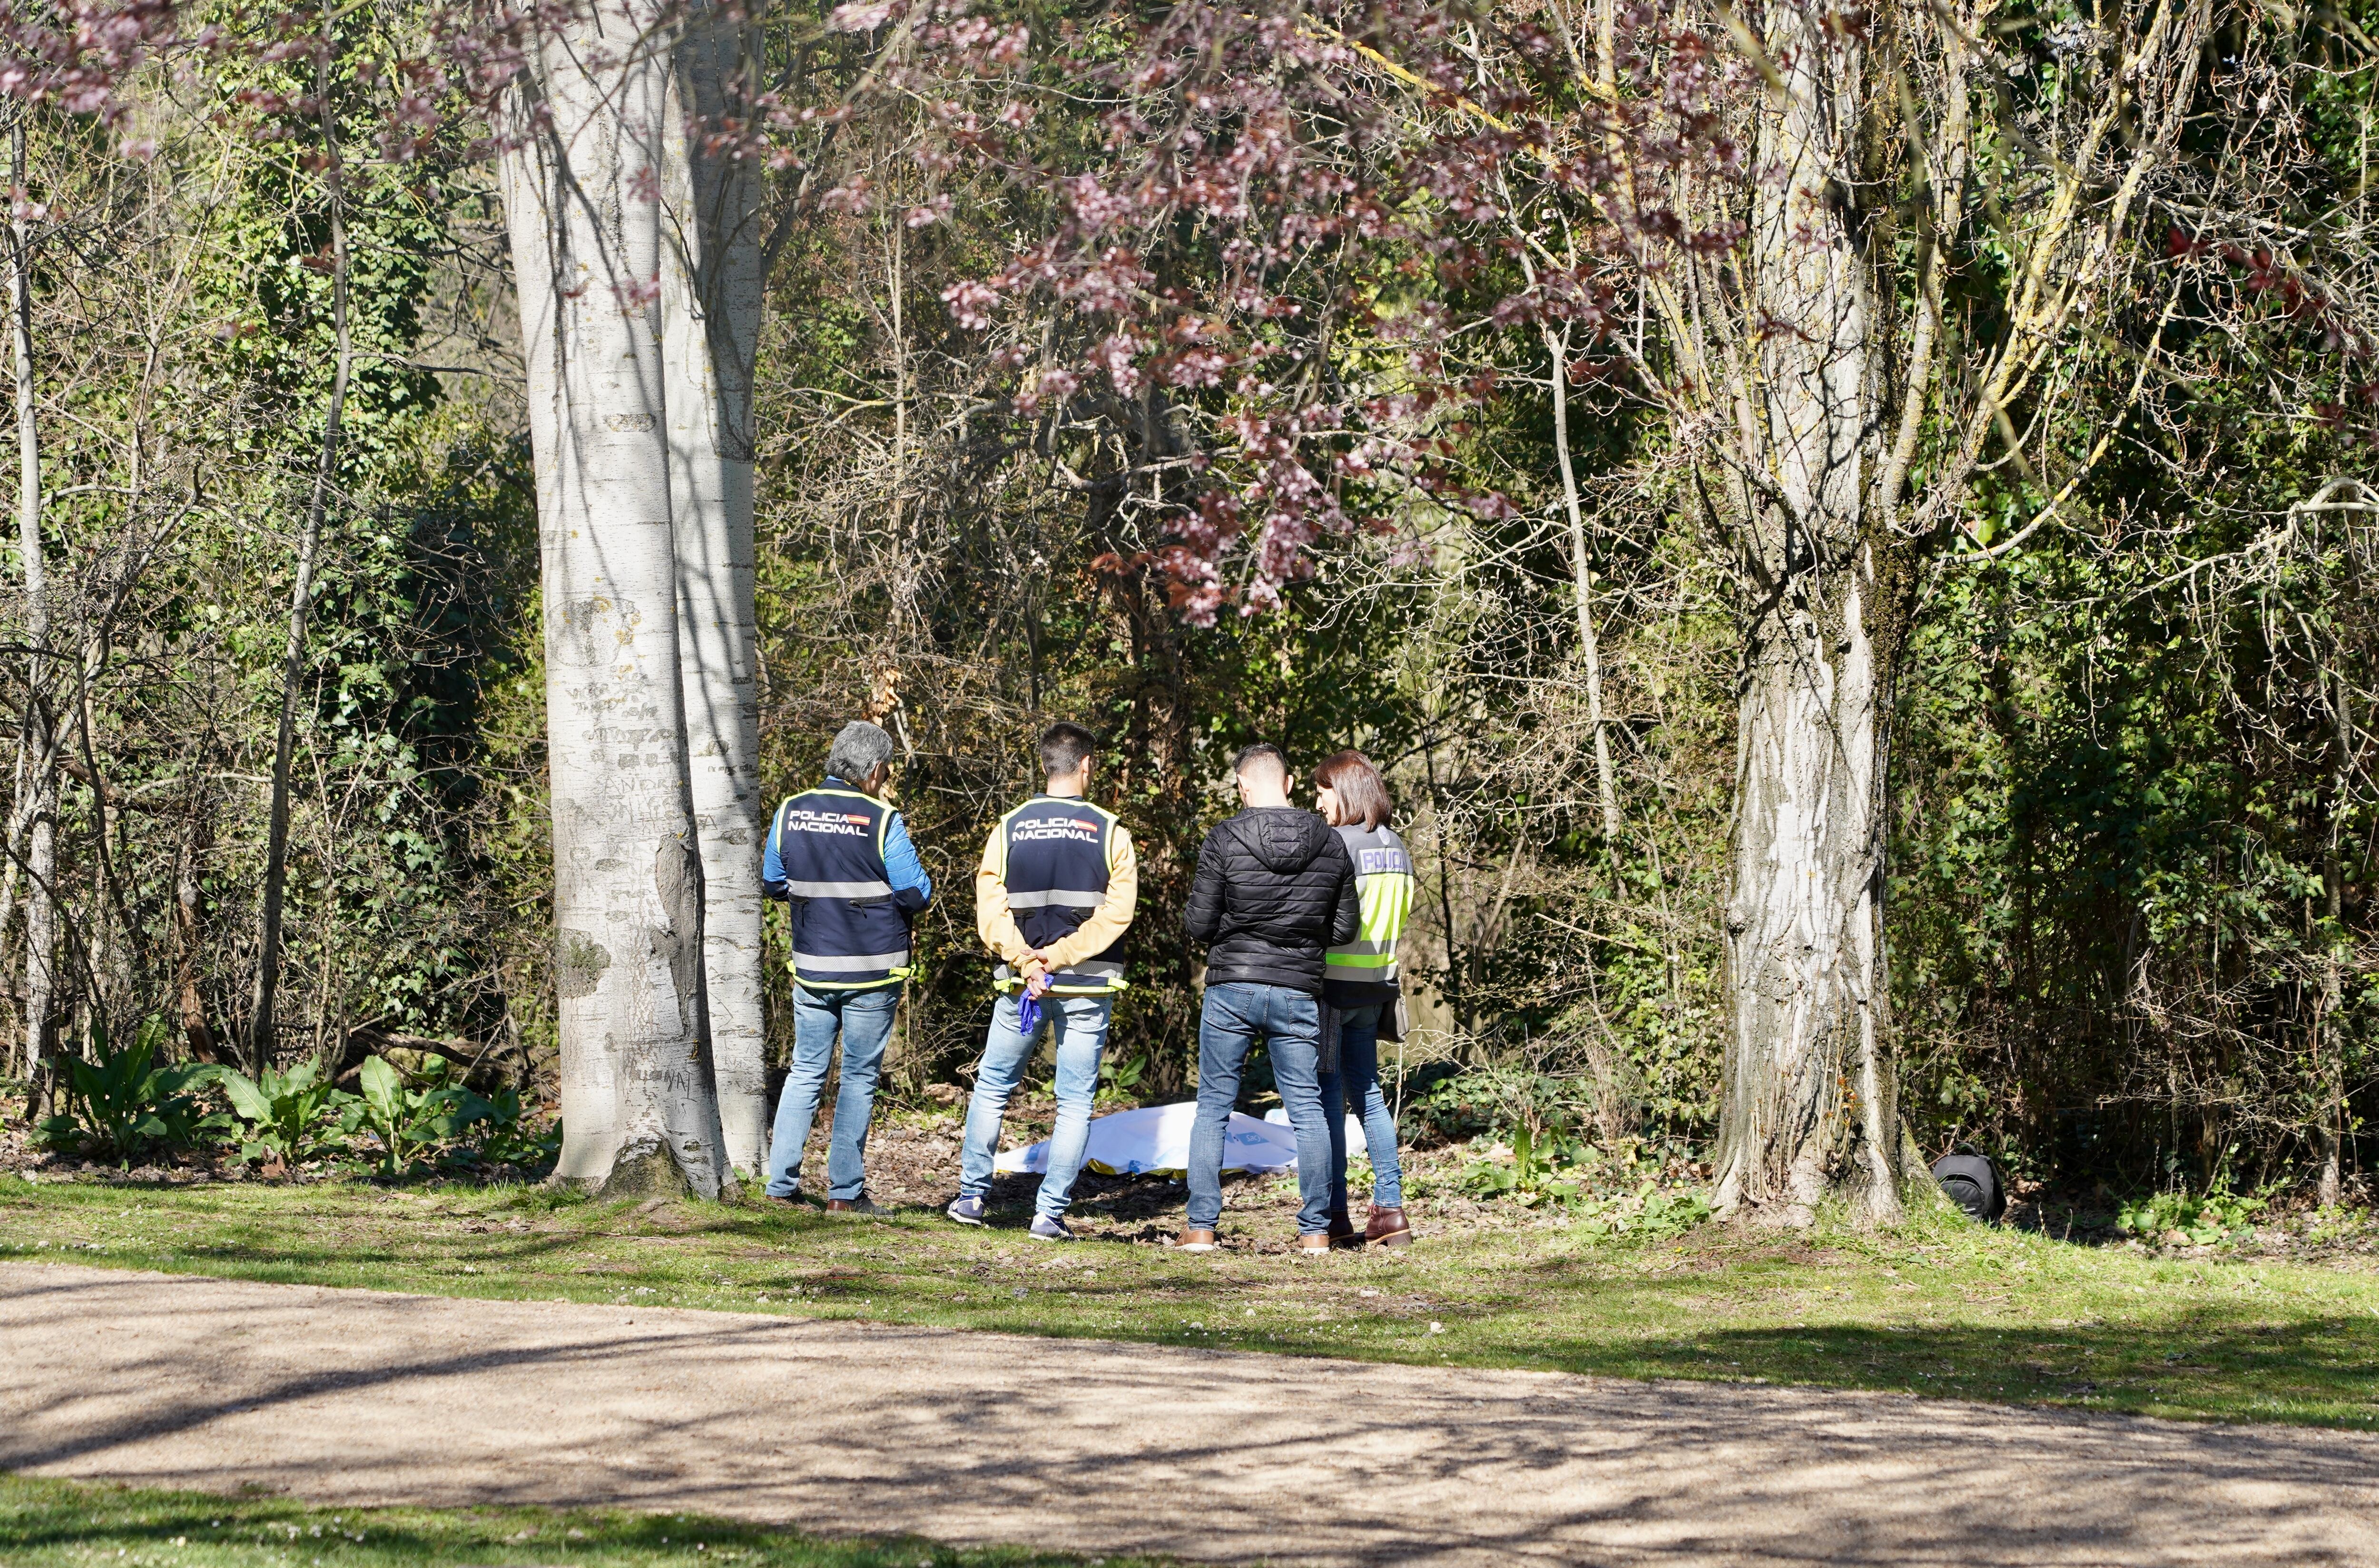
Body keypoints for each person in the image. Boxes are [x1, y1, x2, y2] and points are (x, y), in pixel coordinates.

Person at [946, 722, 1138, 1242]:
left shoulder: (1008, 827)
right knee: (1073, 1101)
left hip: (1020, 984)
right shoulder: (1111, 831)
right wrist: (1058, 957)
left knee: (991, 1086)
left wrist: (1028, 960)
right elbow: (1117, 916)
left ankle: (969, 1196)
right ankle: (1048, 1213)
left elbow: (991, 911)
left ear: (1043, 764)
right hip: (1086, 986)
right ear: (1086, 765)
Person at [1178, 743, 1359, 1254]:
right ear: (1289, 782)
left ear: (1242, 787)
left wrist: (1235, 931)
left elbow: (1197, 923)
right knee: (1306, 1108)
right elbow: (1345, 927)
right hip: (1298, 987)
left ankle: (1200, 1227)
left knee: (1213, 1104)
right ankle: (1315, 1231)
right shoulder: (1328, 841)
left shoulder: (1223, 836)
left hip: (1231, 984)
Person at [759, 720, 931, 1212]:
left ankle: (781, 1186)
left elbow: (772, 882)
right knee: (857, 1077)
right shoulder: (882, 820)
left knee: (806, 1072)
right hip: (872, 972)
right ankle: (845, 1193)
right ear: (874, 771)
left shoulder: (790, 810)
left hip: (811, 967)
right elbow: (917, 893)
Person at [1313, 750, 1417, 1247]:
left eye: (1322, 791)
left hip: (1332, 987)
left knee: (1329, 1099)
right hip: (1375, 987)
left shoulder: (1336, 845)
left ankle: (1334, 1213)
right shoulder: (1397, 846)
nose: (1317, 803)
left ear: (1345, 792)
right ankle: (1390, 1208)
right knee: (1369, 1095)